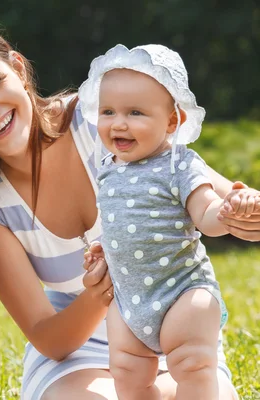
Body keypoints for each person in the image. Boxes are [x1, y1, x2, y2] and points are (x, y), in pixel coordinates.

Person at [0, 20, 260, 400]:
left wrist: (241, 212)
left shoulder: (103, 119)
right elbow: (50, 338)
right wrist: (101, 291)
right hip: (79, 358)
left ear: (18, 69)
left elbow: (219, 192)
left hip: (174, 335)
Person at [77, 43, 260, 400]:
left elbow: (205, 215)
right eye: (108, 111)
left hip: (182, 292)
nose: (119, 123)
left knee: (192, 365)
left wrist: (225, 212)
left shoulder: (180, 165)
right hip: (129, 298)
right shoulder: (107, 168)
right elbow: (123, 223)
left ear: (173, 121)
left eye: (135, 112)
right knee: (127, 372)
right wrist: (106, 249)